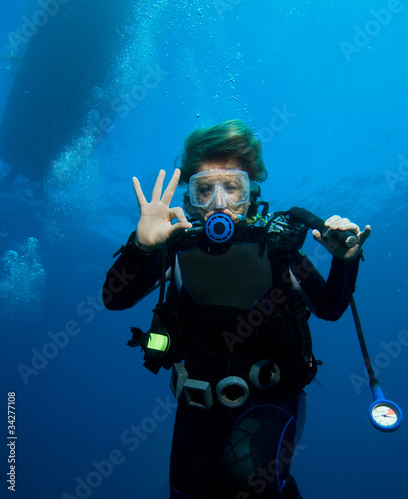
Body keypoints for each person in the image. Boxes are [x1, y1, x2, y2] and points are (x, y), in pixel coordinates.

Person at [103, 120, 371, 499]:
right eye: (204, 189)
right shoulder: (173, 249)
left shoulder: (279, 249)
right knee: (186, 493)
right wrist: (141, 246)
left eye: (232, 187)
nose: (219, 204)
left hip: (271, 398)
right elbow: (114, 299)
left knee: (249, 482)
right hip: (196, 406)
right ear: (189, 199)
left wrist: (346, 260)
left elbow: (330, 307)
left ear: (251, 192)